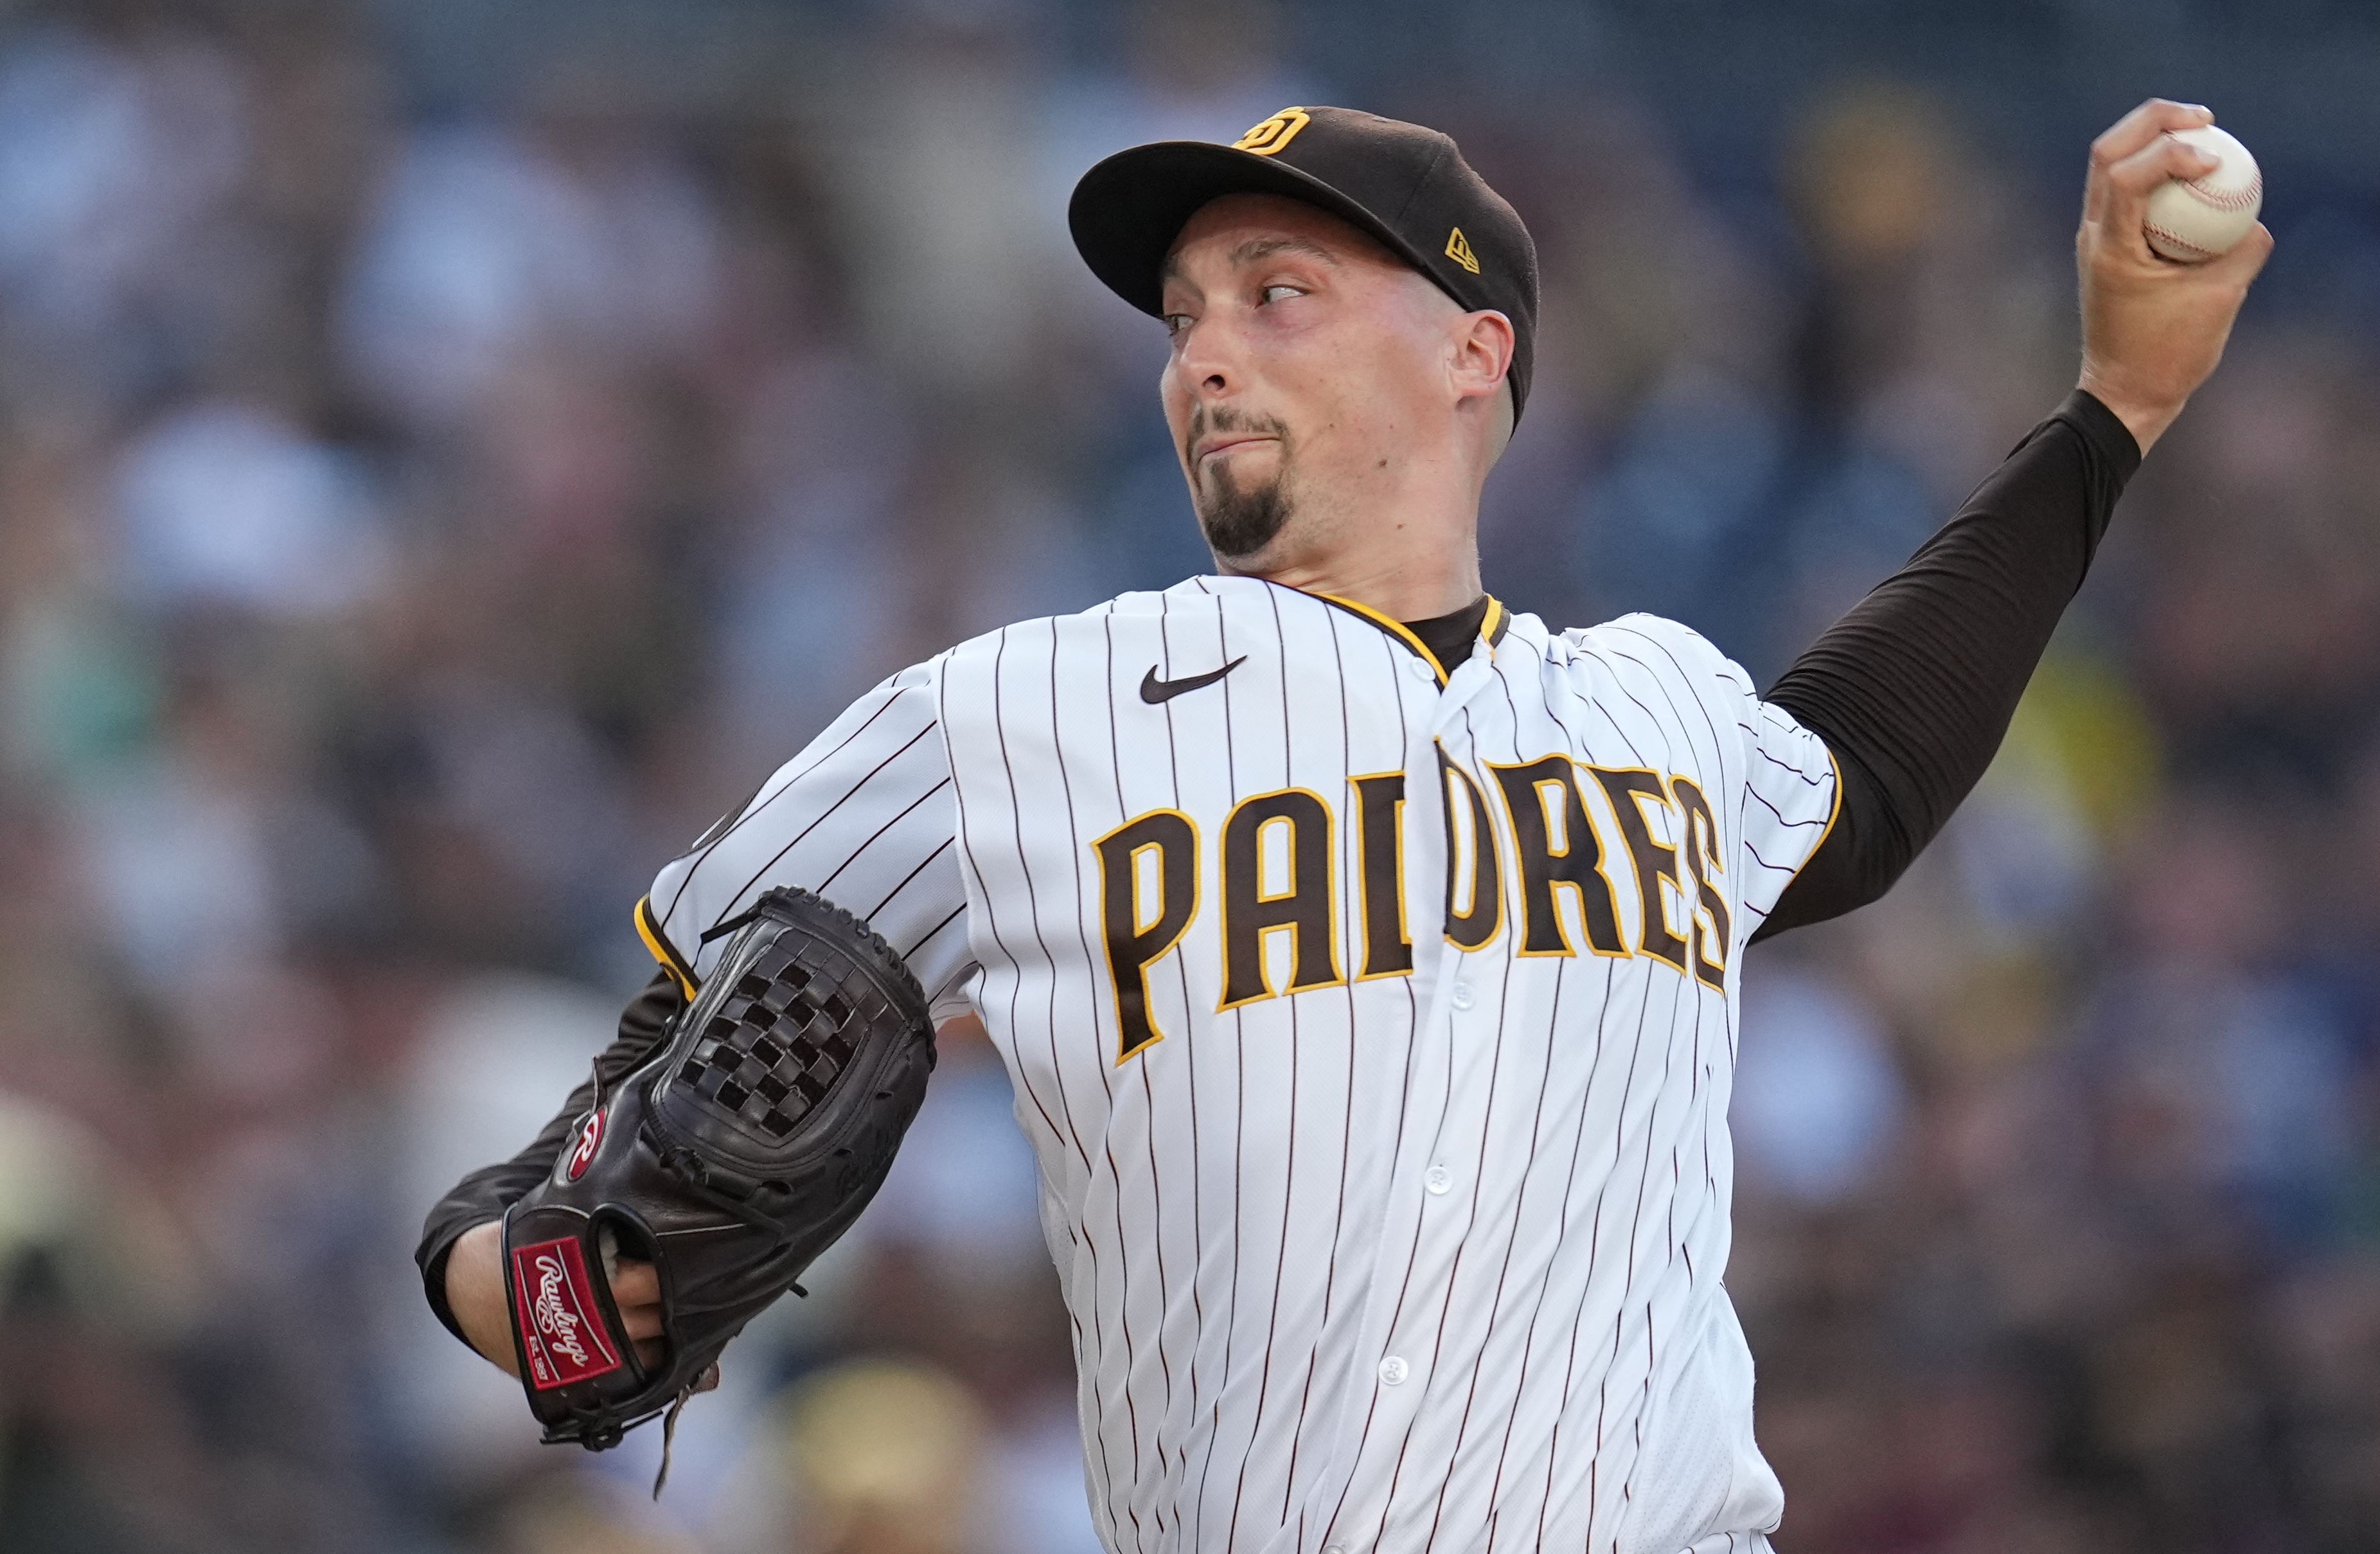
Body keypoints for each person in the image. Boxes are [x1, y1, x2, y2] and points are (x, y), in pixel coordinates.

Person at [418, 100, 2268, 1552]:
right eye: (1182, 316)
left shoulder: (1652, 703)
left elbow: (1860, 768)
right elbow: (608, 1113)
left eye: (1273, 293)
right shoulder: (1006, 719)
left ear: (1473, 353)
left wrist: (2114, 408)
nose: (1202, 354)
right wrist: (531, 1283)